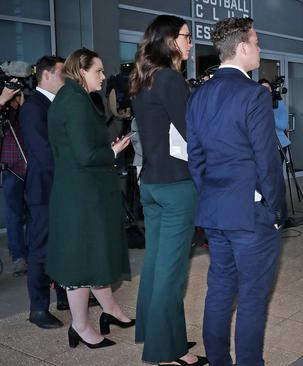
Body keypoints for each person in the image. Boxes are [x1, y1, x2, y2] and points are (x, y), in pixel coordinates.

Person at [186, 17, 285, 366]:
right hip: (249, 216)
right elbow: (267, 161)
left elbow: (194, 157)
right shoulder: (254, 95)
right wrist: (275, 210)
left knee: (220, 290)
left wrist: (212, 192)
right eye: (257, 42)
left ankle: (218, 361)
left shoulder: (198, 95)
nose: (260, 48)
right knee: (253, 298)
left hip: (215, 211)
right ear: (242, 47)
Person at [130, 15, 206, 366]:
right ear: (170, 41)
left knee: (157, 264)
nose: (191, 42)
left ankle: (154, 331)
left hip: (151, 183)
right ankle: (166, 351)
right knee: (172, 271)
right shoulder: (171, 80)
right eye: (186, 37)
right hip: (176, 185)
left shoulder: (143, 80)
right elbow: (194, 133)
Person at [46, 48, 134, 348]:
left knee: (91, 256)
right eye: (97, 70)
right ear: (81, 71)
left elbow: (79, 147)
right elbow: (84, 155)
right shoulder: (74, 102)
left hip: (81, 192)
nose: (103, 76)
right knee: (81, 262)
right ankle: (80, 326)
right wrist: (113, 151)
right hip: (81, 196)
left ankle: (107, 311)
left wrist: (106, 148)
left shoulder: (75, 98)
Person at [19, 55, 69, 328]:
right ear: (46, 75)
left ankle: (63, 294)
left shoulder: (56, 104)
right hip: (44, 189)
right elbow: (44, 154)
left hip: (59, 187)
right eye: (62, 74)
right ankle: (37, 308)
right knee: (40, 249)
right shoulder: (33, 108)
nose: (66, 80)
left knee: (61, 244)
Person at [0, 83, 27, 277]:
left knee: (33, 213)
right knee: (14, 214)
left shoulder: (24, 112)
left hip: (30, 168)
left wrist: (24, 107)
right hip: (11, 170)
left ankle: (33, 252)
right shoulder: (4, 116)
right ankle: (18, 257)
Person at [258, 78, 291, 149]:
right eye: (262, 88)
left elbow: (283, 125)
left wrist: (269, 113)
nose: (265, 91)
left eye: (267, 88)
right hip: (261, 145)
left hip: (278, 145)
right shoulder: (256, 104)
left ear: (271, 90)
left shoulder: (277, 103)